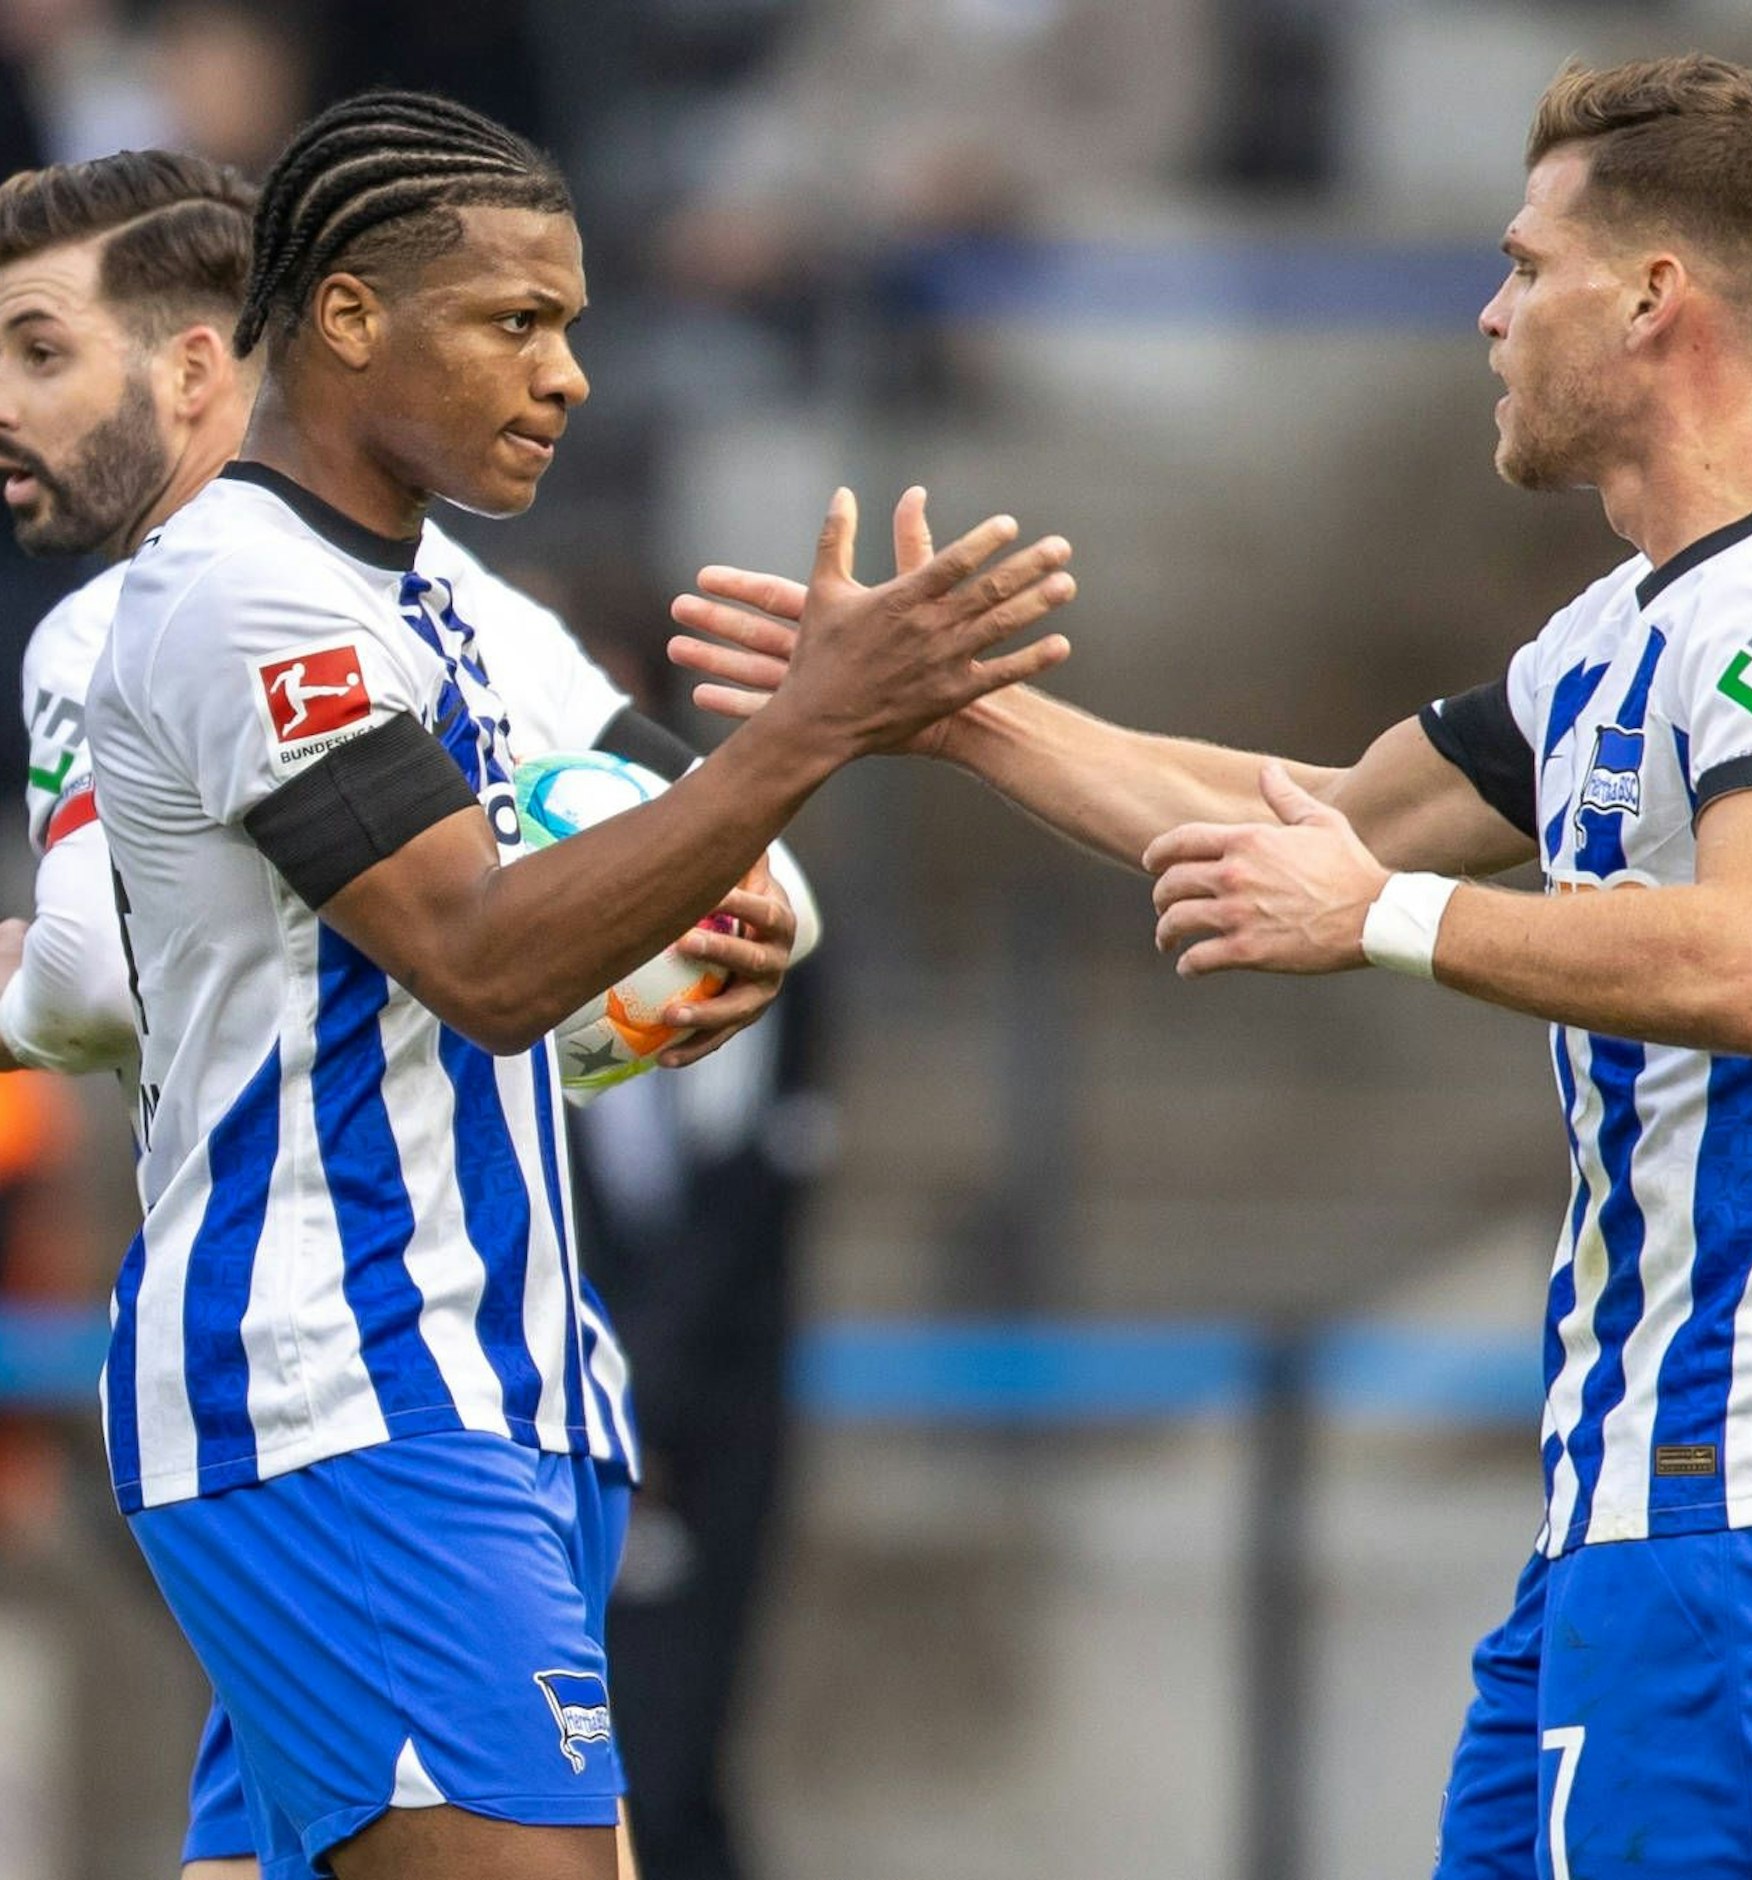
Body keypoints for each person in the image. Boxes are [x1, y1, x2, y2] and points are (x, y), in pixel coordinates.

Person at [670, 52, 1752, 1878]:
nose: (1488, 311)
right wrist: (955, 715)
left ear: (1652, 299)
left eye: (1526, 264)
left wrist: (1381, 926)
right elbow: (1320, 819)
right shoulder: (1614, 638)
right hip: (1634, 1503)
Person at [84, 88, 1073, 1880]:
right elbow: (479, 956)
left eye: (575, 328)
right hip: (341, 1387)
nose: (569, 377)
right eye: (516, 322)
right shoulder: (247, 602)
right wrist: (802, 736)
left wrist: (732, 891)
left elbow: (653, 868)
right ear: (348, 317)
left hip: (493, 1379)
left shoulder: (441, 606)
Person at [0, 144, 788, 1880]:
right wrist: (596, 997)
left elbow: (78, 974)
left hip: (387, 1369)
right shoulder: (468, 613)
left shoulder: (142, 612)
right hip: (421, 1381)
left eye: (43, 349)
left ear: (209, 358)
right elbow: (751, 910)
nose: (10, 406)